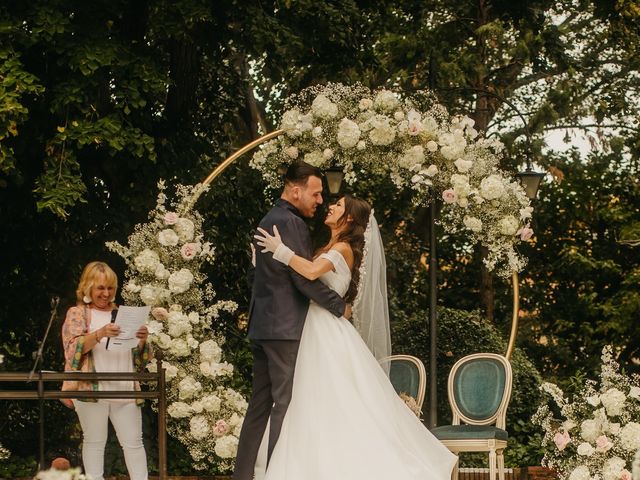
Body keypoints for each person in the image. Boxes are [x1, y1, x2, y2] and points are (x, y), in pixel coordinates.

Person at [253, 195, 458, 480]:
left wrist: (282, 252)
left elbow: (310, 272)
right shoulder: (329, 246)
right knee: (311, 397)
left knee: (324, 395)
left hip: (325, 329)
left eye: (337, 206)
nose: (330, 207)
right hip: (316, 324)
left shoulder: (342, 247)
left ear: (348, 218)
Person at [233, 161, 352, 480]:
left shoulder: (267, 220)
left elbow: (255, 278)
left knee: (259, 407)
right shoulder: (292, 223)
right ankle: (276, 473)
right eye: (315, 194)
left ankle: (243, 476)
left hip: (262, 327)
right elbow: (303, 279)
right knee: (286, 406)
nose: (319, 200)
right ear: (295, 190)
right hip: (285, 329)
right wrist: (338, 307)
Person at [61, 261, 150, 480]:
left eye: (110, 288)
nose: (106, 293)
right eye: (100, 288)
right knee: (94, 441)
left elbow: (141, 360)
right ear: (88, 287)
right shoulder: (77, 312)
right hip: (91, 389)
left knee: (134, 443)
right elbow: (72, 350)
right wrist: (99, 334)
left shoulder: (123, 313)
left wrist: (142, 341)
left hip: (125, 387)